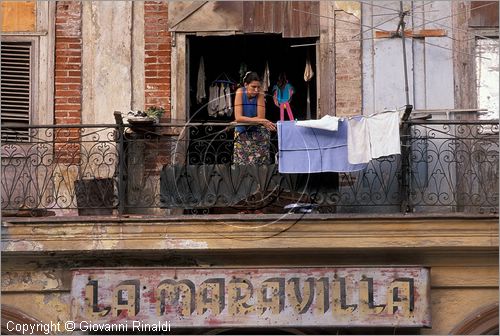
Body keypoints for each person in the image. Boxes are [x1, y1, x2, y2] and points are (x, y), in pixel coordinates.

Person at [233, 71, 276, 165]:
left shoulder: (260, 93)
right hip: (242, 133)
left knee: (260, 164)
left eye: (258, 87)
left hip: (258, 133)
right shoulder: (240, 92)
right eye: (253, 87)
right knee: (242, 164)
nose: (256, 90)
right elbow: (238, 117)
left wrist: (260, 119)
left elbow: (261, 117)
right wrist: (260, 120)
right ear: (246, 85)